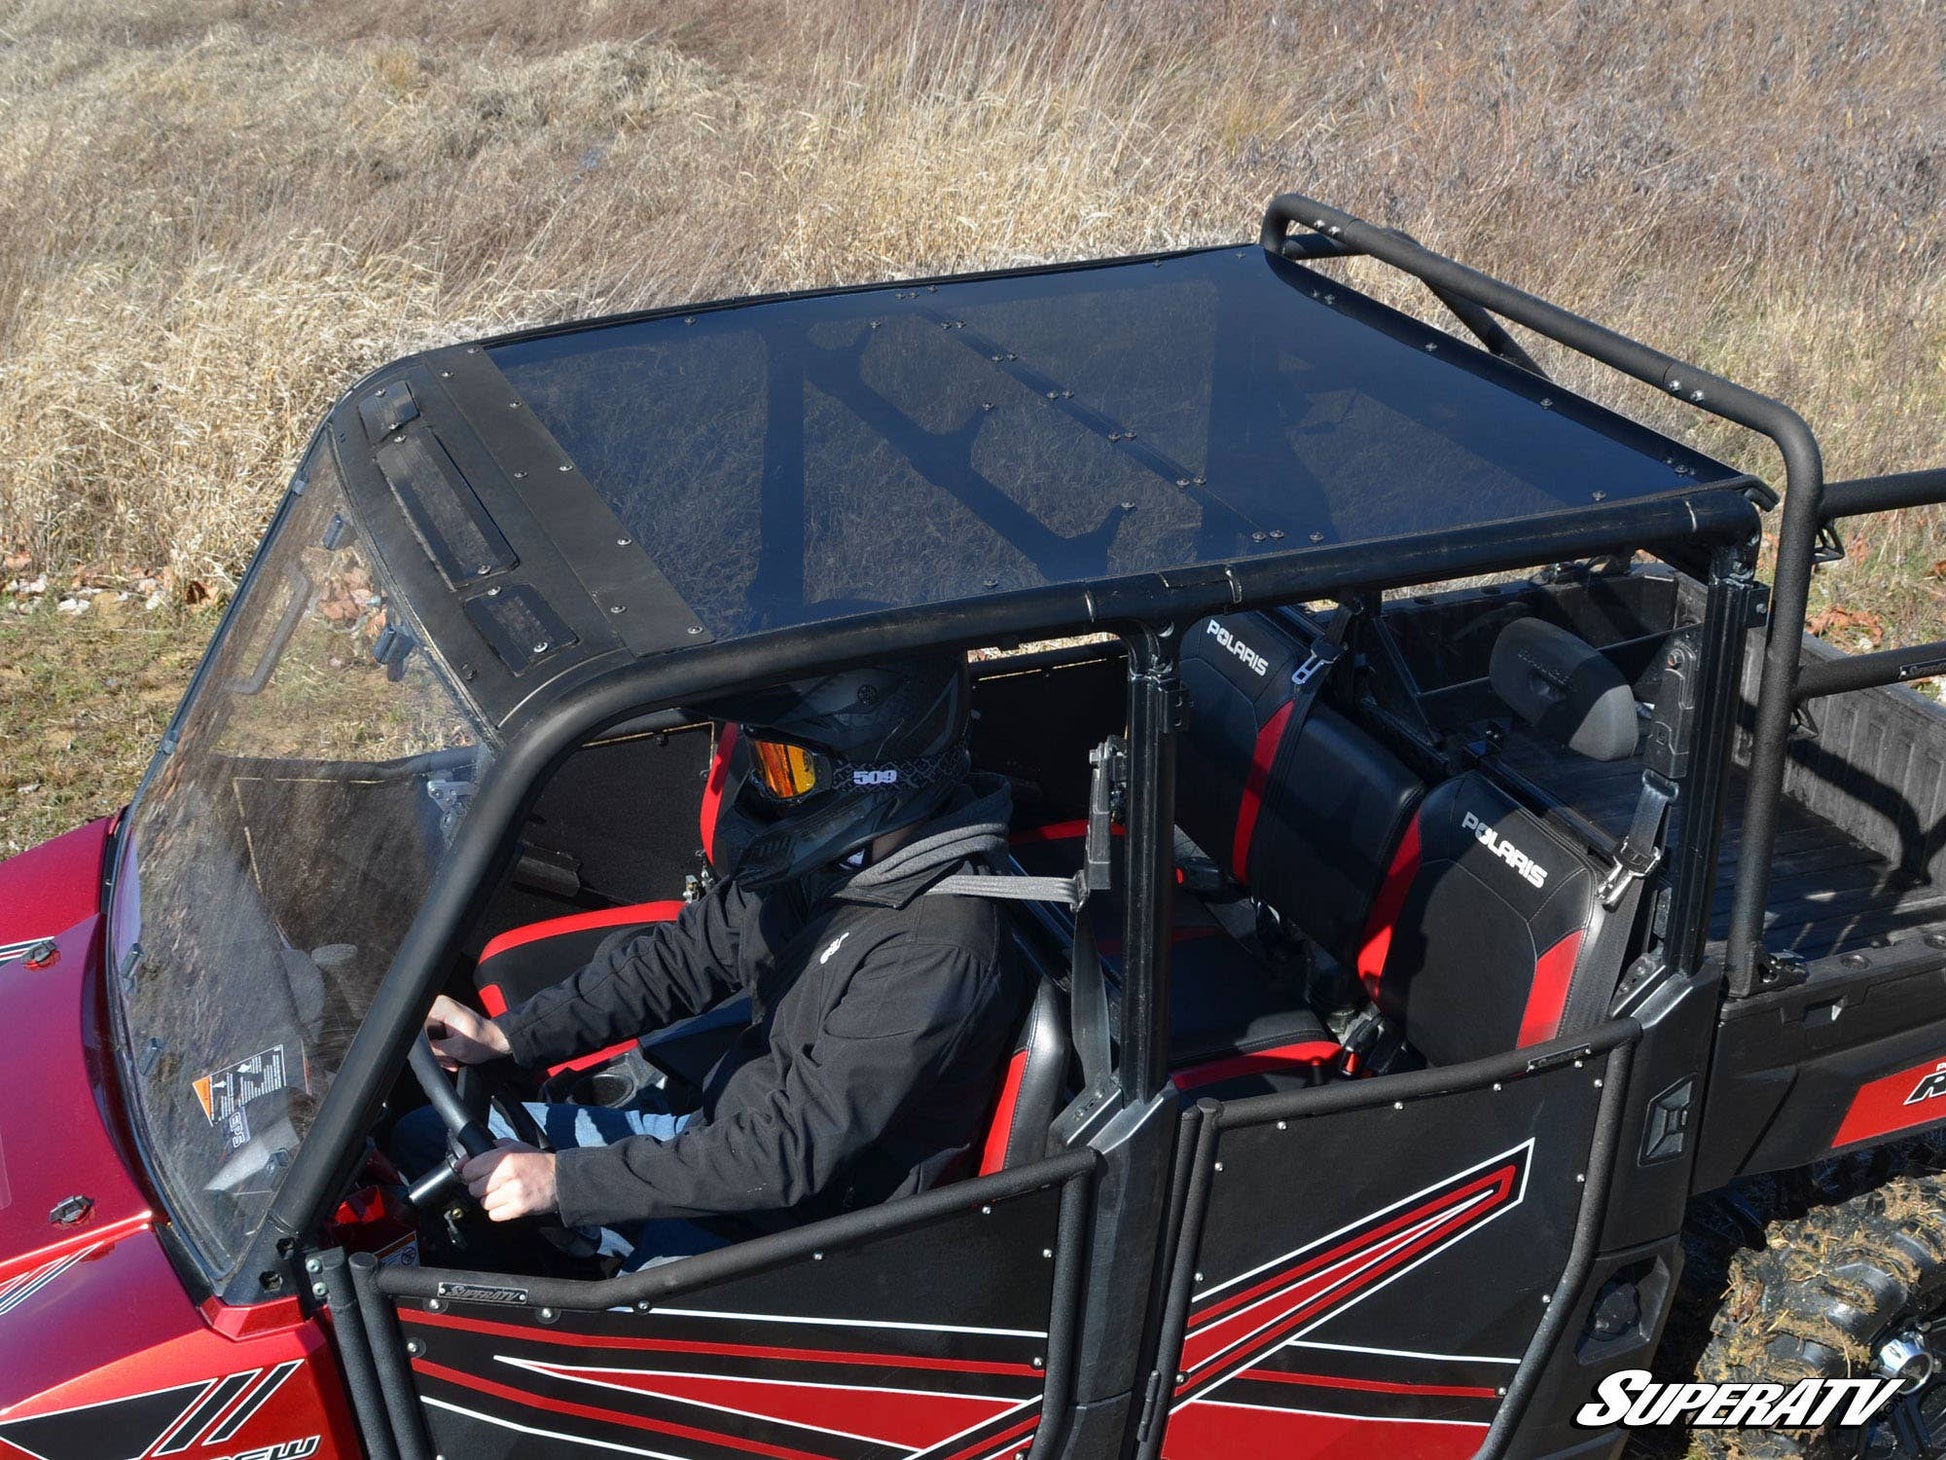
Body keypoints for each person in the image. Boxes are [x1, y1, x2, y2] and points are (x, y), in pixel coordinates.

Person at [405, 651, 1026, 1269]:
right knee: (418, 1140)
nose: (768, 792)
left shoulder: (935, 949)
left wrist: (567, 1184)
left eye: (791, 771)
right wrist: (506, 1036)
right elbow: (682, 956)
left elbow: (793, 1151)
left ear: (876, 778)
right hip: (720, 1141)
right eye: (763, 762)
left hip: (793, 1234)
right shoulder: (837, 864)